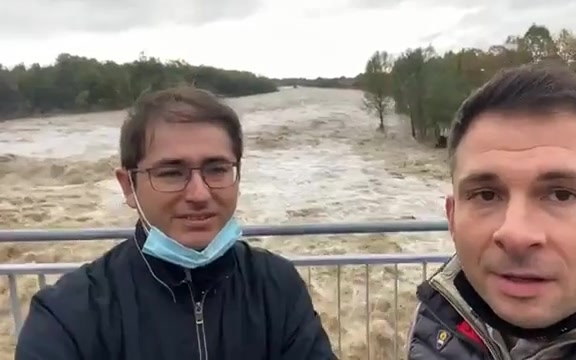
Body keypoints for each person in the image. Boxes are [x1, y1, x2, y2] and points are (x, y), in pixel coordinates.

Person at [15, 86, 337, 360]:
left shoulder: (277, 288)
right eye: (171, 173)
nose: (199, 193)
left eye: (216, 169)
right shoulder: (68, 316)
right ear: (128, 186)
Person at [407, 64, 576, 359]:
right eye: (486, 195)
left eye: (562, 194)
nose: (515, 234)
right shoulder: (436, 319)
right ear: (452, 218)